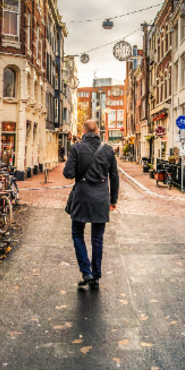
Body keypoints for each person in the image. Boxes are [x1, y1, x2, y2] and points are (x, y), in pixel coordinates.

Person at [63, 119, 119, 289]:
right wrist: (113, 200)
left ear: (83, 131)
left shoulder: (76, 148)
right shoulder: (108, 150)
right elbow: (114, 177)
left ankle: (86, 271)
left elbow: (68, 174)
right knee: (97, 238)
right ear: (98, 132)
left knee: (77, 233)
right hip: (101, 197)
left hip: (82, 196)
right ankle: (95, 277)